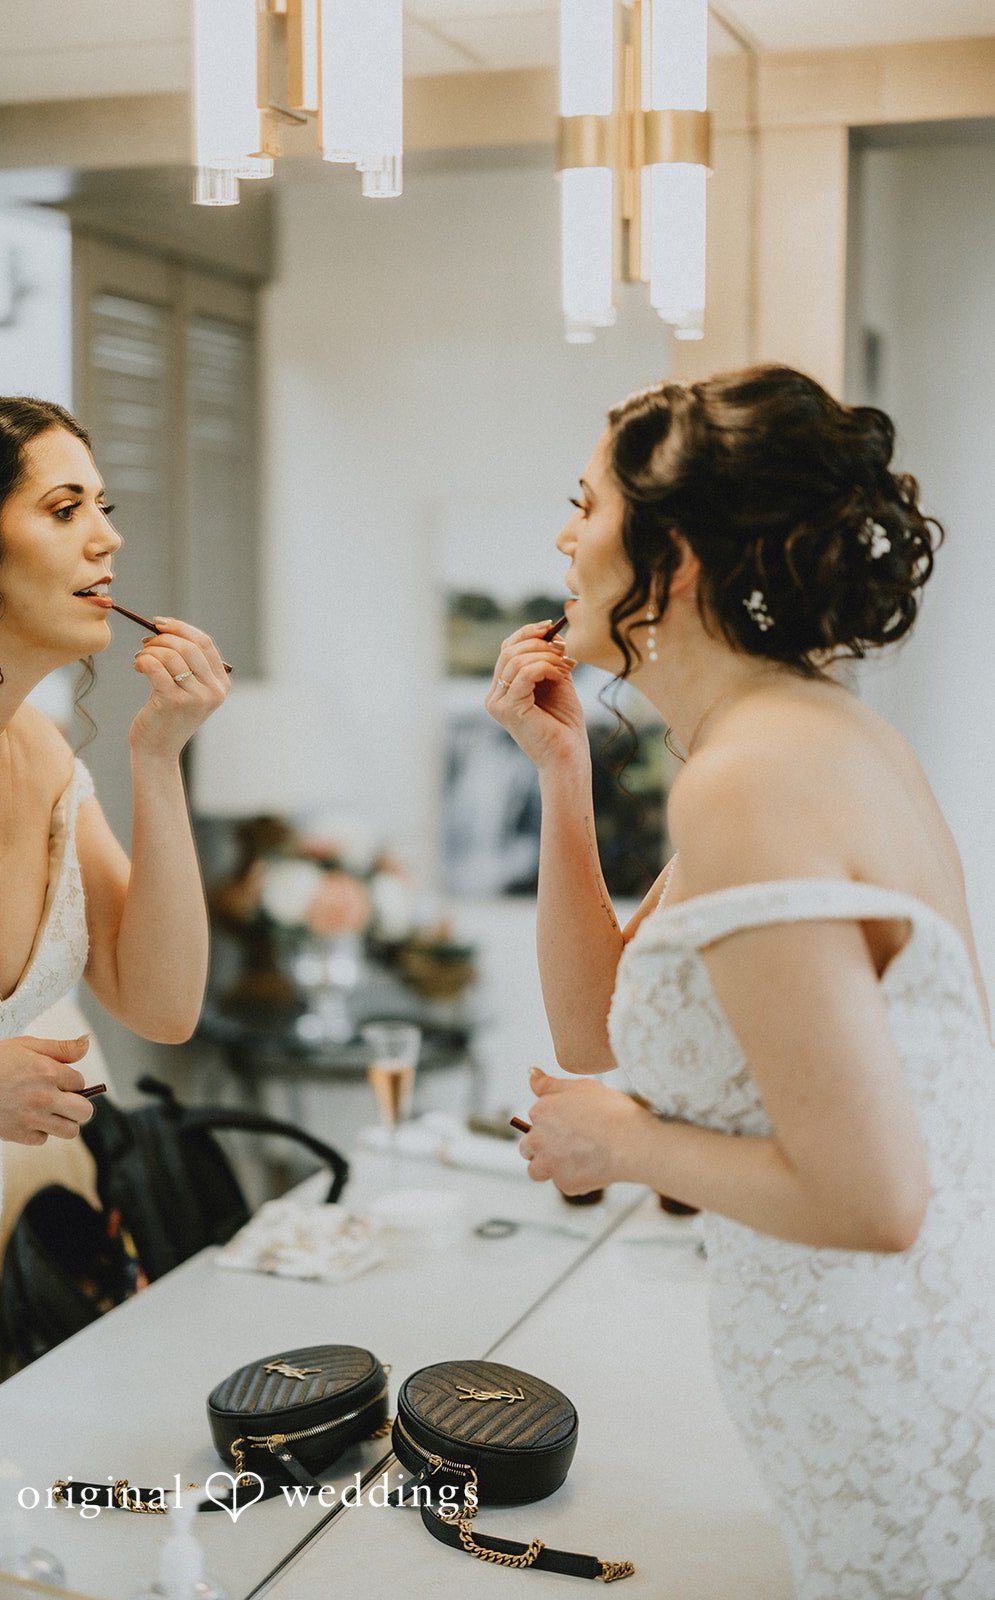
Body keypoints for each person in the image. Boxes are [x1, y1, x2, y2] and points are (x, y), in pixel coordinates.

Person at [487, 365, 995, 1598]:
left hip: (869, 1369)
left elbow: (871, 1196)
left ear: (679, 554)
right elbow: (596, 1025)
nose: (562, 535)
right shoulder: (788, 732)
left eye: (585, 505)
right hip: (875, 1341)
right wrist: (560, 774)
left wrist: (623, 1144)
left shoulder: (752, 774)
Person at [0, 393, 229, 1400]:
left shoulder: (40, 745)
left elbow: (160, 1000)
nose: (108, 536)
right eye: (64, 509)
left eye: (101, 506)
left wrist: (157, 759)